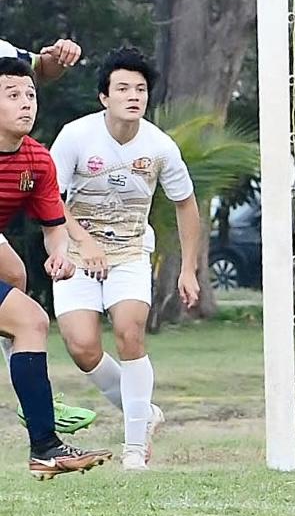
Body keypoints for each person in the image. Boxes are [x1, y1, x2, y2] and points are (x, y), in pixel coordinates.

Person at [50, 47, 203, 472]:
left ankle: (134, 447)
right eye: (122, 88)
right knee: (82, 347)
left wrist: (188, 268)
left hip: (131, 253)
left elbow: (186, 204)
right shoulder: (76, 136)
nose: (133, 96)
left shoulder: (160, 147)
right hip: (78, 254)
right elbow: (50, 198)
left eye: (140, 89)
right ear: (104, 96)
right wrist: (83, 241)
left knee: (129, 331)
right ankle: (144, 412)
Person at [0, 56, 112, 477]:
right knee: (30, 319)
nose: (26, 103)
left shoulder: (37, 160)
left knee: (15, 280)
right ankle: (45, 443)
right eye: (12, 95)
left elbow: (53, 226)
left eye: (30, 94)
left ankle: (32, 400)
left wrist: (61, 253)